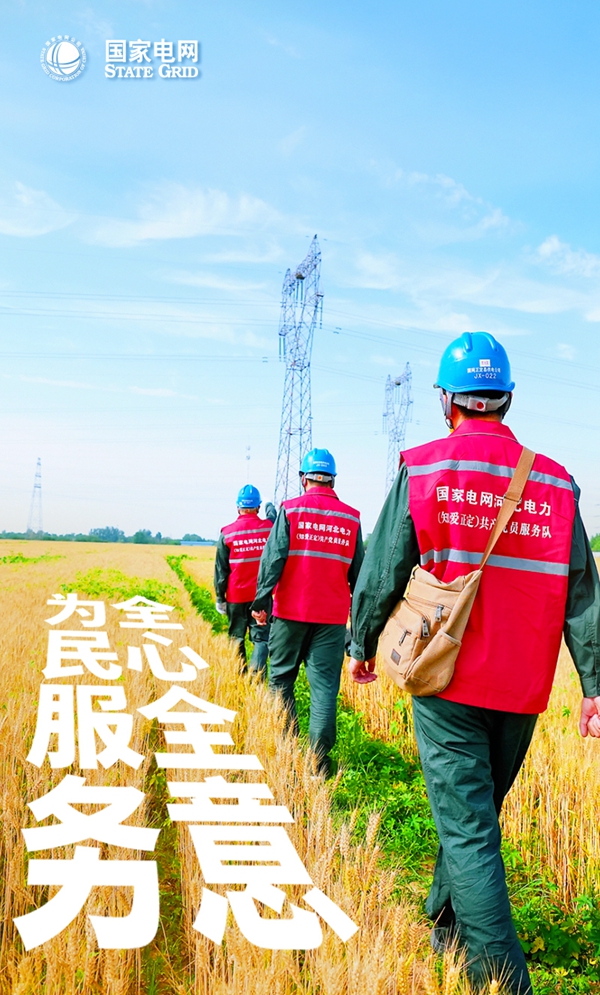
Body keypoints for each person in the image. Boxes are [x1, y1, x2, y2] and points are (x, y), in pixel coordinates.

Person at [348, 331, 600, 995]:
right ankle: (446, 927)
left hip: (446, 678)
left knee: (468, 830)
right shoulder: (557, 482)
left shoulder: (424, 468)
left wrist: (361, 643)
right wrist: (595, 684)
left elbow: (383, 566)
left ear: (447, 400)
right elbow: (582, 591)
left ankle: (505, 982)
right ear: (506, 397)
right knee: (473, 817)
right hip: (523, 687)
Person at [251, 448, 364, 775]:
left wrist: (261, 602)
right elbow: (360, 575)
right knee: (325, 689)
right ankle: (319, 766)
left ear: (304, 479)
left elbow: (273, 560)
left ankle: (287, 749)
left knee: (281, 679)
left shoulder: (290, 510)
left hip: (290, 613)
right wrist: (360, 626)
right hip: (331, 620)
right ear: (332, 480)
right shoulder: (351, 518)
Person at [214, 485, 276, 676]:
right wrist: (269, 505)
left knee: (236, 637)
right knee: (261, 639)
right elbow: (273, 516)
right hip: (262, 597)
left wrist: (220, 598)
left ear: (237, 507)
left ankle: (239, 676)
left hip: (236, 596)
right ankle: (256, 677)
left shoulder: (227, 533)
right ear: (258, 507)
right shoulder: (268, 528)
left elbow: (221, 570)